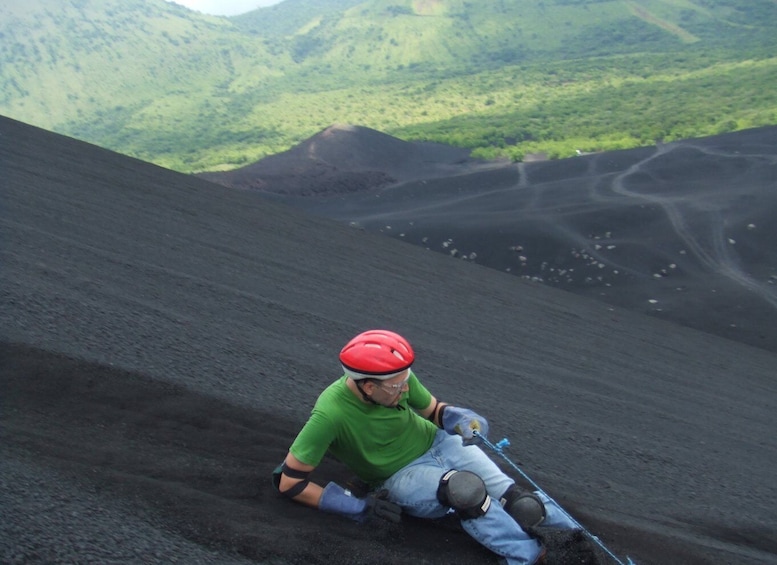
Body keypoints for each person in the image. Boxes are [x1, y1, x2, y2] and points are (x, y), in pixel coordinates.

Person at [273, 329, 584, 565]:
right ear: (368, 387)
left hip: (440, 443)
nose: (406, 388)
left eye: (405, 380)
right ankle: (529, 558)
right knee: (465, 492)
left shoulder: (396, 379)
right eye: (397, 386)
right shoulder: (329, 415)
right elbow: (290, 482)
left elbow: (433, 411)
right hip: (400, 474)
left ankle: (585, 545)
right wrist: (357, 507)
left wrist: (459, 417)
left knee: (520, 503)